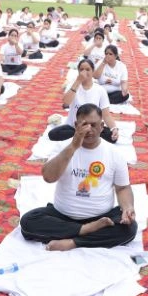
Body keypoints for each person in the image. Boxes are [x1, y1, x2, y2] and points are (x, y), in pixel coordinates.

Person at [20, 103, 137, 250]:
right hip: (62, 215)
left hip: (101, 217)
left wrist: (128, 207)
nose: (89, 130)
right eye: (84, 125)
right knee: (28, 222)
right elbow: (48, 177)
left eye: (93, 125)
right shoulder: (63, 147)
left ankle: (71, 242)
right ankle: (86, 231)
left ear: (102, 126)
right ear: (76, 125)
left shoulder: (114, 153)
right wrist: (73, 146)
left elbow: (123, 188)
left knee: (129, 228)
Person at [49, 58, 118, 143]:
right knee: (53, 134)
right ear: (78, 71)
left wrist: (114, 128)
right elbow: (66, 102)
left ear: (92, 71)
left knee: (112, 137)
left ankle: (85, 135)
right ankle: (82, 135)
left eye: (88, 69)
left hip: (93, 128)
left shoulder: (100, 90)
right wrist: (78, 81)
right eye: (81, 69)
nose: (84, 72)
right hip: (74, 127)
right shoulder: (73, 85)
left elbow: (106, 114)